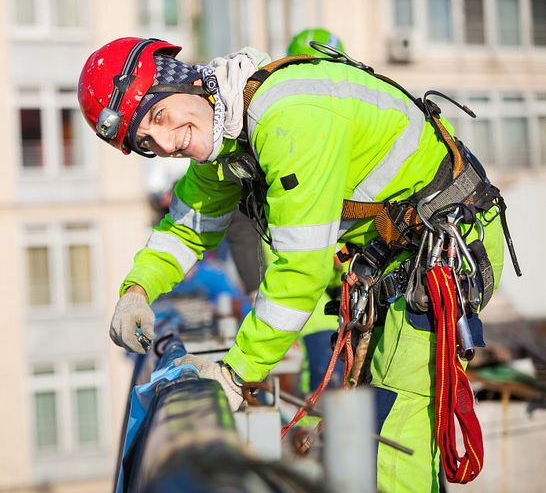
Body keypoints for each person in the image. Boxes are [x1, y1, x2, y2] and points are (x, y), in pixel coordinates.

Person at [78, 37, 507, 492]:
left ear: (184, 83)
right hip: (400, 259)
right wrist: (137, 291)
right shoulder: (225, 139)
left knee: (393, 422)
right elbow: (185, 229)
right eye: (146, 141)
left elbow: (302, 269)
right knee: (366, 421)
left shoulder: (287, 116)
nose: (166, 142)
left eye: (160, 116)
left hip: (446, 252)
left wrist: (236, 372)